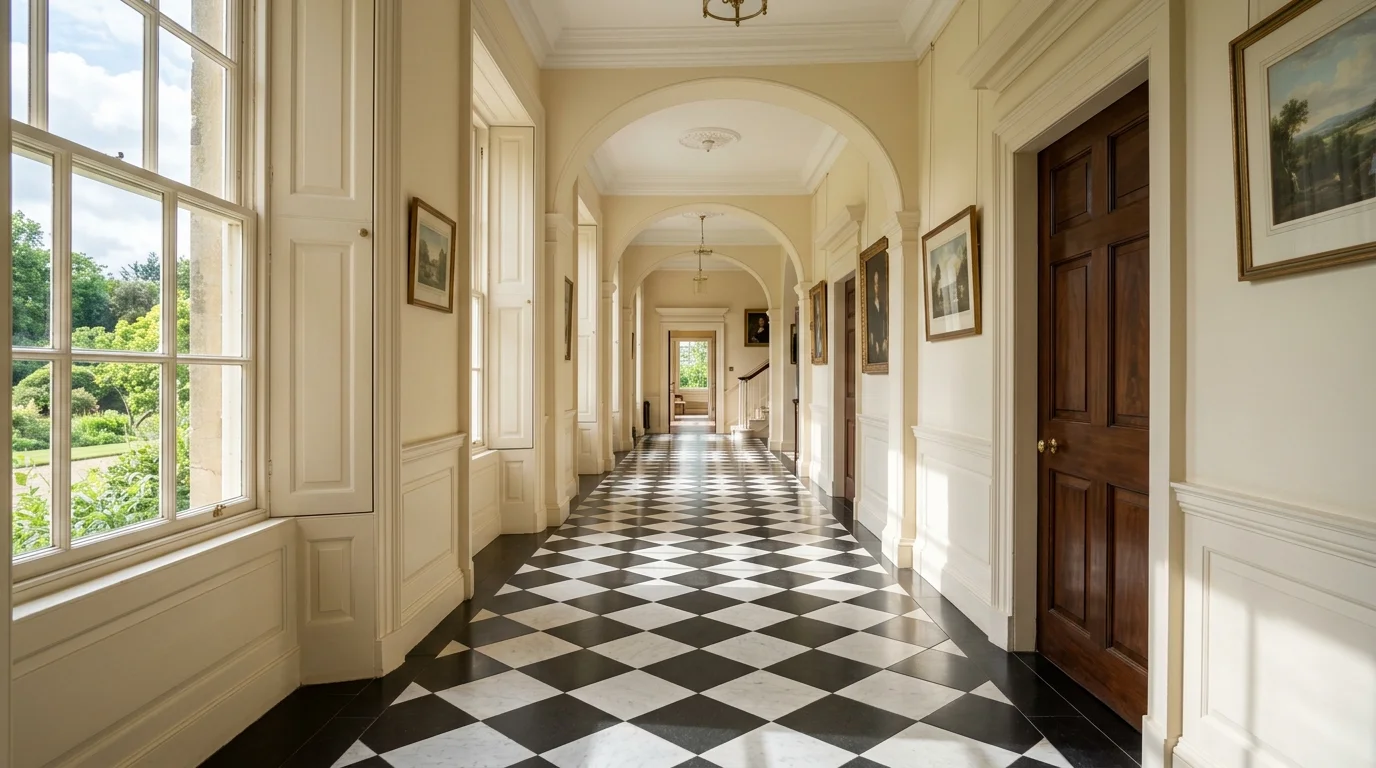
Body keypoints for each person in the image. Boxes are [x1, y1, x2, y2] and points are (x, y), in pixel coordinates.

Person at [867, 262, 887, 363]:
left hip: (882, 339)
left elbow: (885, 322)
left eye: (878, 284)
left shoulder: (883, 305)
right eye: (875, 284)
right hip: (873, 340)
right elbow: (870, 325)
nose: (877, 287)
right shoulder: (869, 304)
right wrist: (873, 340)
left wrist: (885, 339)